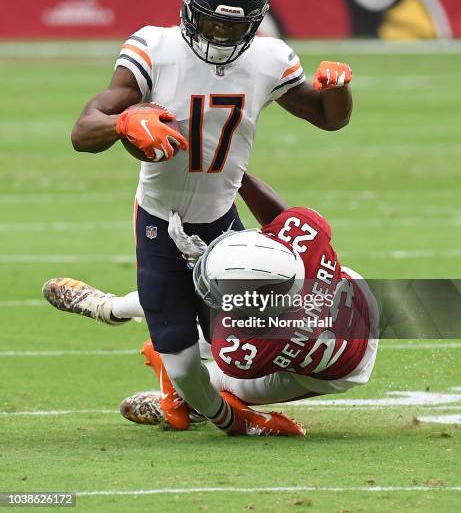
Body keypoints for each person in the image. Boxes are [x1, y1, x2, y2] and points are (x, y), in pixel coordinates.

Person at [67, 0, 353, 436]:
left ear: (255, 19)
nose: (222, 33)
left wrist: (339, 88)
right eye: (214, 21)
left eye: (234, 24)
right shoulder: (155, 49)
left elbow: (328, 119)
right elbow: (84, 128)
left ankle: (114, 309)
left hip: (222, 219)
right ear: (189, 7)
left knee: (253, 341)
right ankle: (233, 421)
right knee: (183, 360)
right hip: (160, 218)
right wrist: (123, 125)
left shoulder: (268, 58)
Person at [44, 174, 378, 434]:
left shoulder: (244, 348)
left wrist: (195, 266)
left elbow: (188, 315)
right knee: (190, 323)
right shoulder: (306, 244)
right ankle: (111, 310)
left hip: (334, 370)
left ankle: (190, 404)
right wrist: (235, 174)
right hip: (352, 304)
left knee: (207, 370)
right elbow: (286, 219)